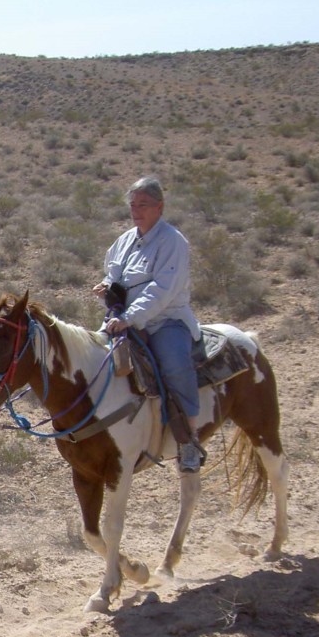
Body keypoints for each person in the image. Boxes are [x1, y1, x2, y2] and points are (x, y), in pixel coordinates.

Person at [93, 176, 204, 473]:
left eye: (143, 204)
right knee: (93, 359)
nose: (136, 211)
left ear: (160, 207)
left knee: (174, 366)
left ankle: (189, 441)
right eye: (133, 205)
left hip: (165, 320)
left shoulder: (173, 242)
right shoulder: (124, 241)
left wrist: (128, 318)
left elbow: (162, 291)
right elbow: (113, 273)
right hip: (124, 319)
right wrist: (106, 287)